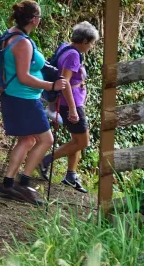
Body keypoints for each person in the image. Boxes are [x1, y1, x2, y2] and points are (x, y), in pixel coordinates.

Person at [0, 0, 68, 205]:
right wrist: (51, 86)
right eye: (40, 18)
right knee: (46, 140)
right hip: (24, 99)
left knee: (27, 140)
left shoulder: (12, 34)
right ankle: (22, 182)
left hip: (18, 97)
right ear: (34, 19)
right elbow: (24, 76)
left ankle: (8, 184)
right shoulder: (23, 43)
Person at [39, 22, 99, 193]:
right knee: (83, 141)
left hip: (73, 102)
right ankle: (44, 161)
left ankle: (71, 175)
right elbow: (64, 83)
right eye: (91, 43)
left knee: (76, 140)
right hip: (69, 104)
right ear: (85, 40)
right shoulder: (73, 55)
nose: (92, 46)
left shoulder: (67, 47)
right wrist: (73, 109)